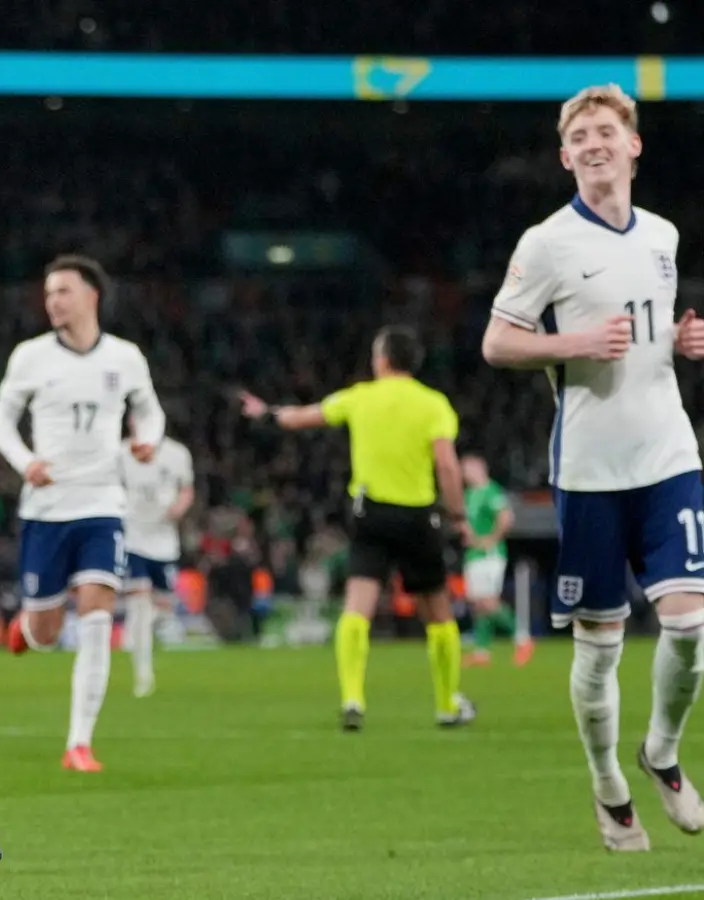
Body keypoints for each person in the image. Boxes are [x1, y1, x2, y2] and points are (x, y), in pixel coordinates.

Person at [481, 83, 704, 851]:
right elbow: (498, 342)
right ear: (565, 156)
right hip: (589, 470)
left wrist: (678, 344)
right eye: (581, 136)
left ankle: (663, 754)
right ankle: (609, 781)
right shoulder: (546, 244)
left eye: (607, 130)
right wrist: (571, 344)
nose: (596, 143)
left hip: (669, 455)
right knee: (600, 645)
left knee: (690, 627)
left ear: (634, 145)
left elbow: (647, 329)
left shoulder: (664, 238)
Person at [239, 326, 475, 733]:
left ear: (383, 359)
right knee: (437, 612)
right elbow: (447, 465)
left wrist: (265, 413)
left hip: (371, 513)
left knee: (356, 607)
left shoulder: (360, 397)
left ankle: (352, 698)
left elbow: (302, 417)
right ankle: (446, 704)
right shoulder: (433, 404)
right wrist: (457, 516)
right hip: (418, 515)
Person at [0, 254, 166, 773]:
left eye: (62, 291)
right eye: (48, 293)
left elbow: (150, 409)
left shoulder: (126, 357)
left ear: (92, 295)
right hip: (47, 507)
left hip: (103, 504)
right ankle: (28, 625)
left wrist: (147, 440)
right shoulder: (31, 357)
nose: (53, 301)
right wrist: (27, 462)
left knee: (96, 614)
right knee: (44, 634)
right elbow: (0, 422)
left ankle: (79, 743)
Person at [120, 431, 195, 698]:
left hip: (164, 542)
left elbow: (186, 489)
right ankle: (143, 674)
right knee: (138, 605)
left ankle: (141, 633)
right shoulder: (121, 452)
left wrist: (179, 508)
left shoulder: (177, 453)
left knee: (165, 608)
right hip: (132, 538)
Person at [459, 454, 530, 668]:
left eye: (467, 468)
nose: (463, 473)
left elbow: (506, 518)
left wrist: (490, 540)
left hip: (489, 555)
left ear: (480, 468)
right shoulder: (470, 494)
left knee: (488, 601)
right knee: (479, 605)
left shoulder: (491, 491)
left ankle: (522, 639)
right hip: (474, 554)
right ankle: (482, 653)